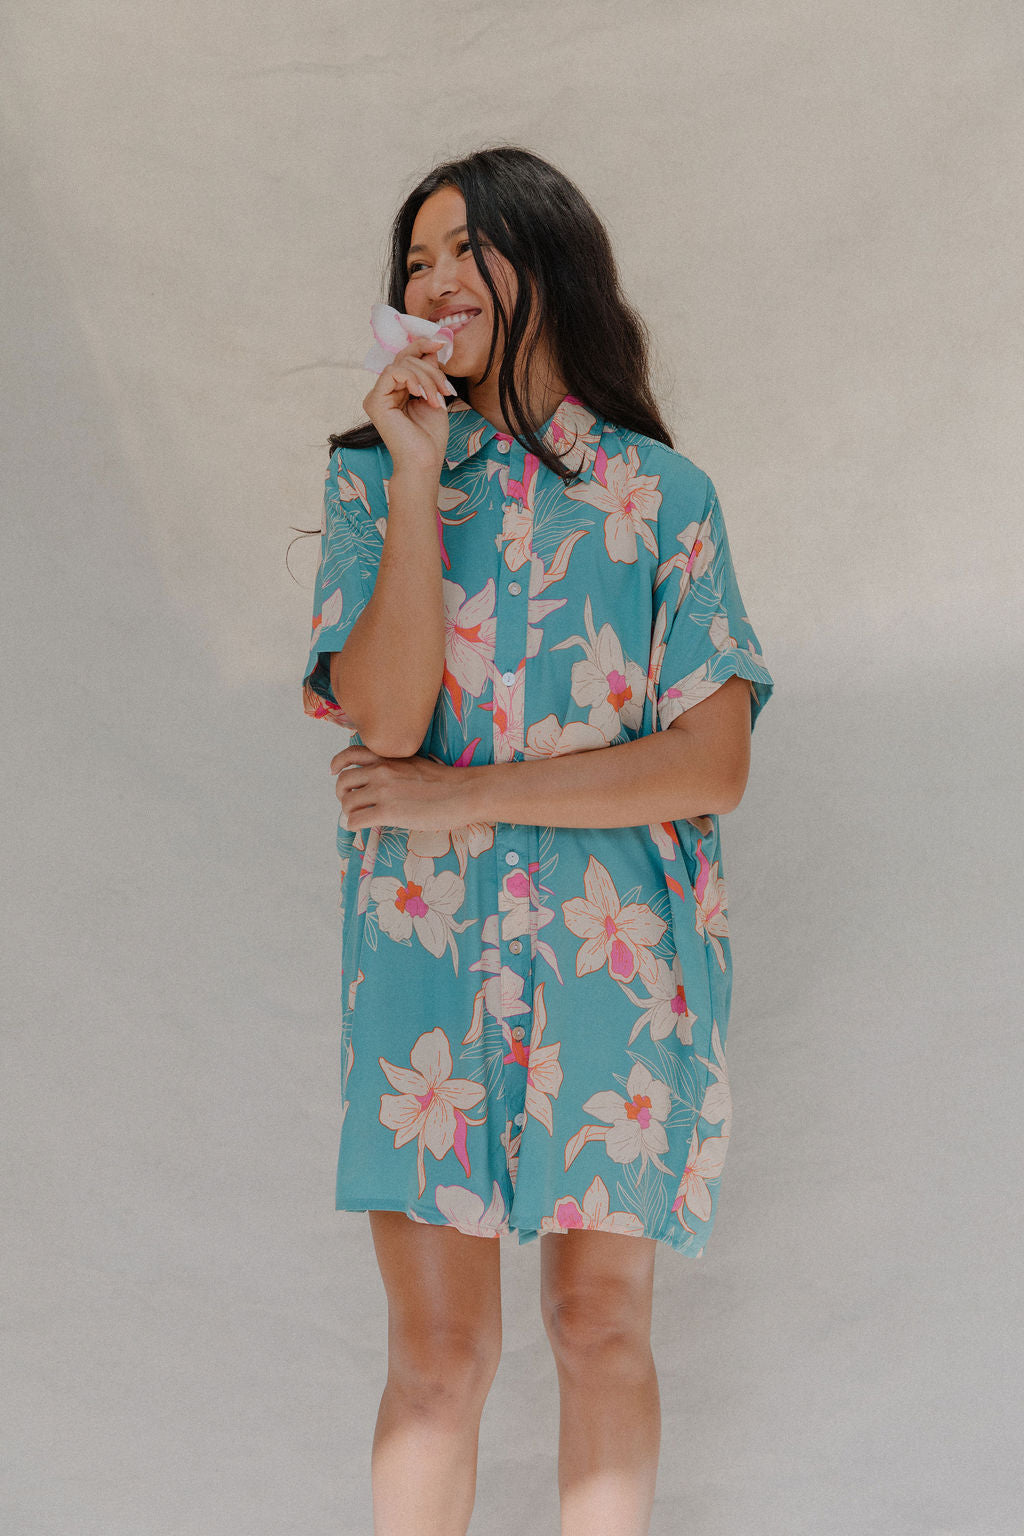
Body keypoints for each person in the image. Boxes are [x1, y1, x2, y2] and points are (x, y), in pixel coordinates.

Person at [301, 144, 775, 1536]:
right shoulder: (370, 484)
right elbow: (384, 717)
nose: (436, 280)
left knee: (596, 1323)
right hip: (425, 958)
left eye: (467, 248)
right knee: (438, 1354)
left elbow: (716, 763)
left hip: (615, 957)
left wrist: (471, 798)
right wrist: (408, 478)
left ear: (545, 260)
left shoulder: (661, 501)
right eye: (417, 260)